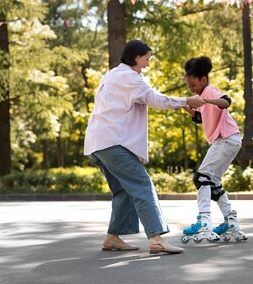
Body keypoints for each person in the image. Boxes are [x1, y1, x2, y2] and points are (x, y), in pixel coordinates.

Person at [84, 40, 205, 255]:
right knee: (142, 184)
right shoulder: (130, 78)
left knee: (123, 189)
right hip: (111, 142)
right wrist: (186, 100)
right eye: (147, 59)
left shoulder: (111, 74)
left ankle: (113, 238)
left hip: (98, 143)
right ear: (136, 57)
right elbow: (155, 99)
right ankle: (156, 239)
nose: (148, 64)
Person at [180, 56, 247, 243]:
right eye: (188, 87)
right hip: (231, 140)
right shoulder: (202, 96)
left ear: (203, 79)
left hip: (225, 139)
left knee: (201, 177)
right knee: (213, 183)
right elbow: (200, 118)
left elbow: (226, 102)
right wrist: (186, 106)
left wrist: (206, 100)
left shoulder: (209, 91)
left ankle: (204, 222)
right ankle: (230, 222)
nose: (191, 89)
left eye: (193, 85)